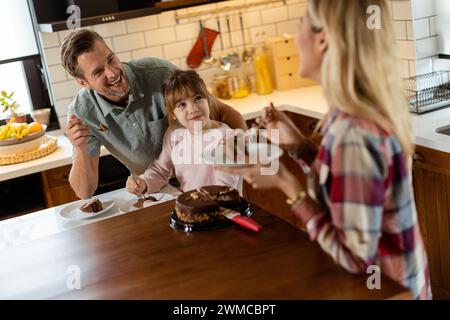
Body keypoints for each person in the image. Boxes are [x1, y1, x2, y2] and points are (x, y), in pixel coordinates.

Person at [219, 0, 431, 299]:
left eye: (300, 25)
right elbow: (351, 185)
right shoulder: (354, 112)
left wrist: (287, 183)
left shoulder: (353, 130)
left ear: (323, 39)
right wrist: (301, 147)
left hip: (386, 291)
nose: (295, 38)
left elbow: (357, 258)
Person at [61, 29, 246, 199]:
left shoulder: (160, 74)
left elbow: (223, 113)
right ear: (82, 82)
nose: (112, 72)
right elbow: (84, 191)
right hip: (154, 189)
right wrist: (79, 147)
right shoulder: (82, 113)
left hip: (210, 186)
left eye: (110, 59)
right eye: (99, 71)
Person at [126, 69, 242, 195]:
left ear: (208, 100)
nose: (193, 109)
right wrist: (143, 183)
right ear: (172, 114)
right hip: (191, 207)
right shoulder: (175, 136)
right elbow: (160, 170)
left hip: (226, 209)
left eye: (198, 98)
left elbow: (227, 188)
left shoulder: (229, 138)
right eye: (182, 105)